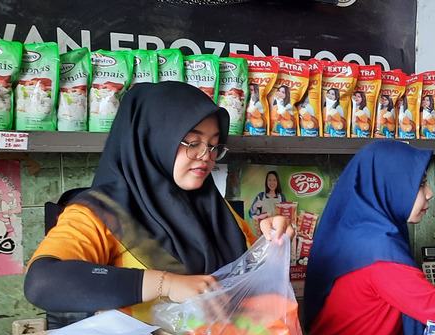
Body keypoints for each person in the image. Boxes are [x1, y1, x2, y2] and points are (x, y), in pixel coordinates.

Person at [25, 82, 292, 316]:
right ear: (151, 140)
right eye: (192, 143)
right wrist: (167, 283)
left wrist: (269, 242)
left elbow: (244, 286)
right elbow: (43, 282)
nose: (206, 156)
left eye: (213, 145)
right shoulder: (98, 214)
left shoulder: (218, 211)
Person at [303, 141, 435, 335]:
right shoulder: (380, 256)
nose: (430, 193)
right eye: (421, 184)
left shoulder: (356, 233)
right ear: (391, 185)